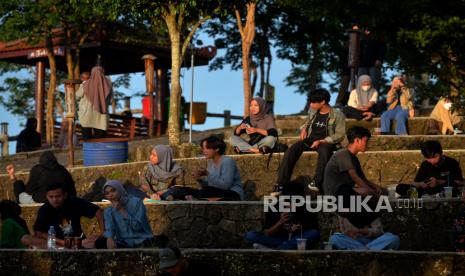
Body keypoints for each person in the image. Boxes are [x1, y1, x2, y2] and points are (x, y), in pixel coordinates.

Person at [273, 89, 346, 195]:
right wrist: (304, 129)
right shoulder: (313, 111)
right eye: (310, 102)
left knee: (325, 151)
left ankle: (317, 182)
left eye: (313, 102)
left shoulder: (338, 115)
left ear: (323, 102)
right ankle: (280, 184)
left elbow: (340, 134)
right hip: (310, 140)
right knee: (292, 150)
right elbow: (308, 122)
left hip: (325, 142)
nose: (311, 104)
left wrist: (322, 141)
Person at [323, 126, 386, 228]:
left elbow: (363, 180)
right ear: (357, 140)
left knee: (379, 193)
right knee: (366, 192)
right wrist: (372, 192)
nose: (368, 144)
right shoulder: (342, 153)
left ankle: (367, 226)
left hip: (348, 192)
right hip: (336, 193)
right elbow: (355, 177)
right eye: (366, 141)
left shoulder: (354, 159)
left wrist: (378, 188)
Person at [30, 182, 104, 248]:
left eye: (58, 196)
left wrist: (103, 233)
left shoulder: (73, 202)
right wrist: (63, 243)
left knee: (98, 240)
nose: (54, 200)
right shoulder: (44, 209)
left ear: (65, 195)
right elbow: (39, 233)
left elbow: (98, 211)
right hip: (56, 244)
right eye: (51, 197)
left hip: (79, 242)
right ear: (46, 196)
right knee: (27, 239)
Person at [94, 180, 155, 249]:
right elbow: (109, 229)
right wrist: (109, 238)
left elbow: (138, 227)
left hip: (141, 238)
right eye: (107, 193)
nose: (111, 195)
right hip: (123, 241)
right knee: (99, 243)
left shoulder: (136, 202)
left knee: (157, 241)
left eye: (113, 190)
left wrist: (121, 210)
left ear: (120, 189)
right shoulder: (109, 211)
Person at [245, 194, 320, 250]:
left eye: (293, 204)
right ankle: (283, 247)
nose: (289, 207)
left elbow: (314, 232)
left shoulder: (306, 209)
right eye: (286, 203)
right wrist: (280, 222)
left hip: (296, 240)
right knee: (250, 235)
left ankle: (277, 249)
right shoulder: (275, 207)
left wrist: (299, 229)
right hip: (278, 240)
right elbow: (267, 233)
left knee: (314, 233)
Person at [396, 140, 463, 198]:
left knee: (452, 190)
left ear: (441, 152)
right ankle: (421, 196)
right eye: (429, 158)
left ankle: (437, 195)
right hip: (426, 191)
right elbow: (416, 182)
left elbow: (460, 182)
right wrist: (421, 184)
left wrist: (439, 182)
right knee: (400, 187)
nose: (432, 160)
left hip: (442, 189)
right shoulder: (425, 164)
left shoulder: (451, 162)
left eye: (435, 157)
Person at [7, 151, 76, 204]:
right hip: (61, 199)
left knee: (21, 192)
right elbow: (72, 191)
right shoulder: (63, 170)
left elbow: (29, 190)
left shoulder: (37, 169)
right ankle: (14, 178)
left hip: (41, 200)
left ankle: (13, 177)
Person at [189, 136, 244, 200]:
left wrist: (208, 174)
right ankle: (197, 198)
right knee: (179, 190)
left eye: (207, 148)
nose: (204, 151)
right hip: (216, 192)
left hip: (233, 194)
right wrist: (199, 179)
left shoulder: (227, 161)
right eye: (203, 148)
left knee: (205, 191)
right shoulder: (211, 163)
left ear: (217, 149)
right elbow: (211, 184)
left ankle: (196, 198)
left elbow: (225, 186)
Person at [76, 67, 112, 139]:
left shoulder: (85, 85)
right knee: (100, 139)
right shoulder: (108, 85)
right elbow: (110, 99)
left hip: (87, 114)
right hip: (101, 115)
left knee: (87, 138)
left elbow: (77, 96)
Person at [329, 216, 400, 250]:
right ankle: (366, 250)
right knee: (334, 238)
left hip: (373, 241)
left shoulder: (370, 208)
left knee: (394, 238)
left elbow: (378, 231)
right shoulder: (342, 211)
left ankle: (364, 250)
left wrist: (360, 230)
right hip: (353, 242)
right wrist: (349, 234)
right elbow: (344, 231)